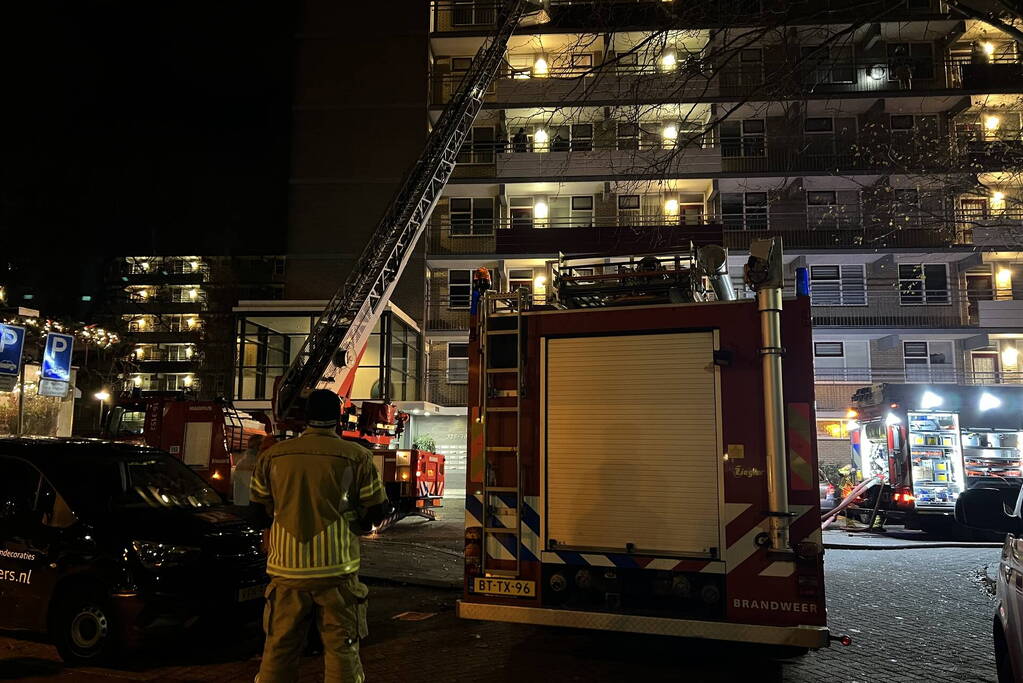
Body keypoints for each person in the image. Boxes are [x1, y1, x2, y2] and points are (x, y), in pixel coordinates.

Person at [251, 390, 388, 683]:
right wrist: (358, 523)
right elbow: (375, 510)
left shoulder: (272, 456)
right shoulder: (358, 456)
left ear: (304, 417)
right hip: (336, 570)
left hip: (285, 570)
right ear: (339, 417)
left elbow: (257, 513)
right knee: (342, 650)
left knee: (278, 648)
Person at [232, 435, 262, 505]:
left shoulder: (243, 462)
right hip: (249, 505)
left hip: (241, 503)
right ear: (258, 447)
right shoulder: (253, 463)